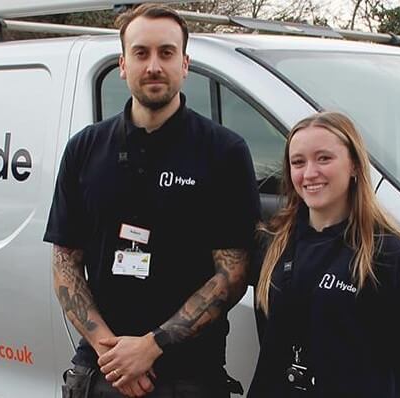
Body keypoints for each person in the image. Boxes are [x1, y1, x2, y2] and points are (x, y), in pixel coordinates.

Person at [43, 3, 260, 397]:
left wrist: (151, 346)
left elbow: (234, 274)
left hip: (188, 377)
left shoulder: (224, 152)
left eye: (166, 52)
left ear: (185, 63)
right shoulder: (85, 149)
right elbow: (64, 264)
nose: (154, 66)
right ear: (123, 64)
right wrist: (113, 353)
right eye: (141, 53)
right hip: (100, 372)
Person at [248, 112, 400, 398]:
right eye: (298, 162)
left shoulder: (386, 254)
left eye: (324, 158)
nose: (309, 173)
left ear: (355, 166)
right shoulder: (274, 244)